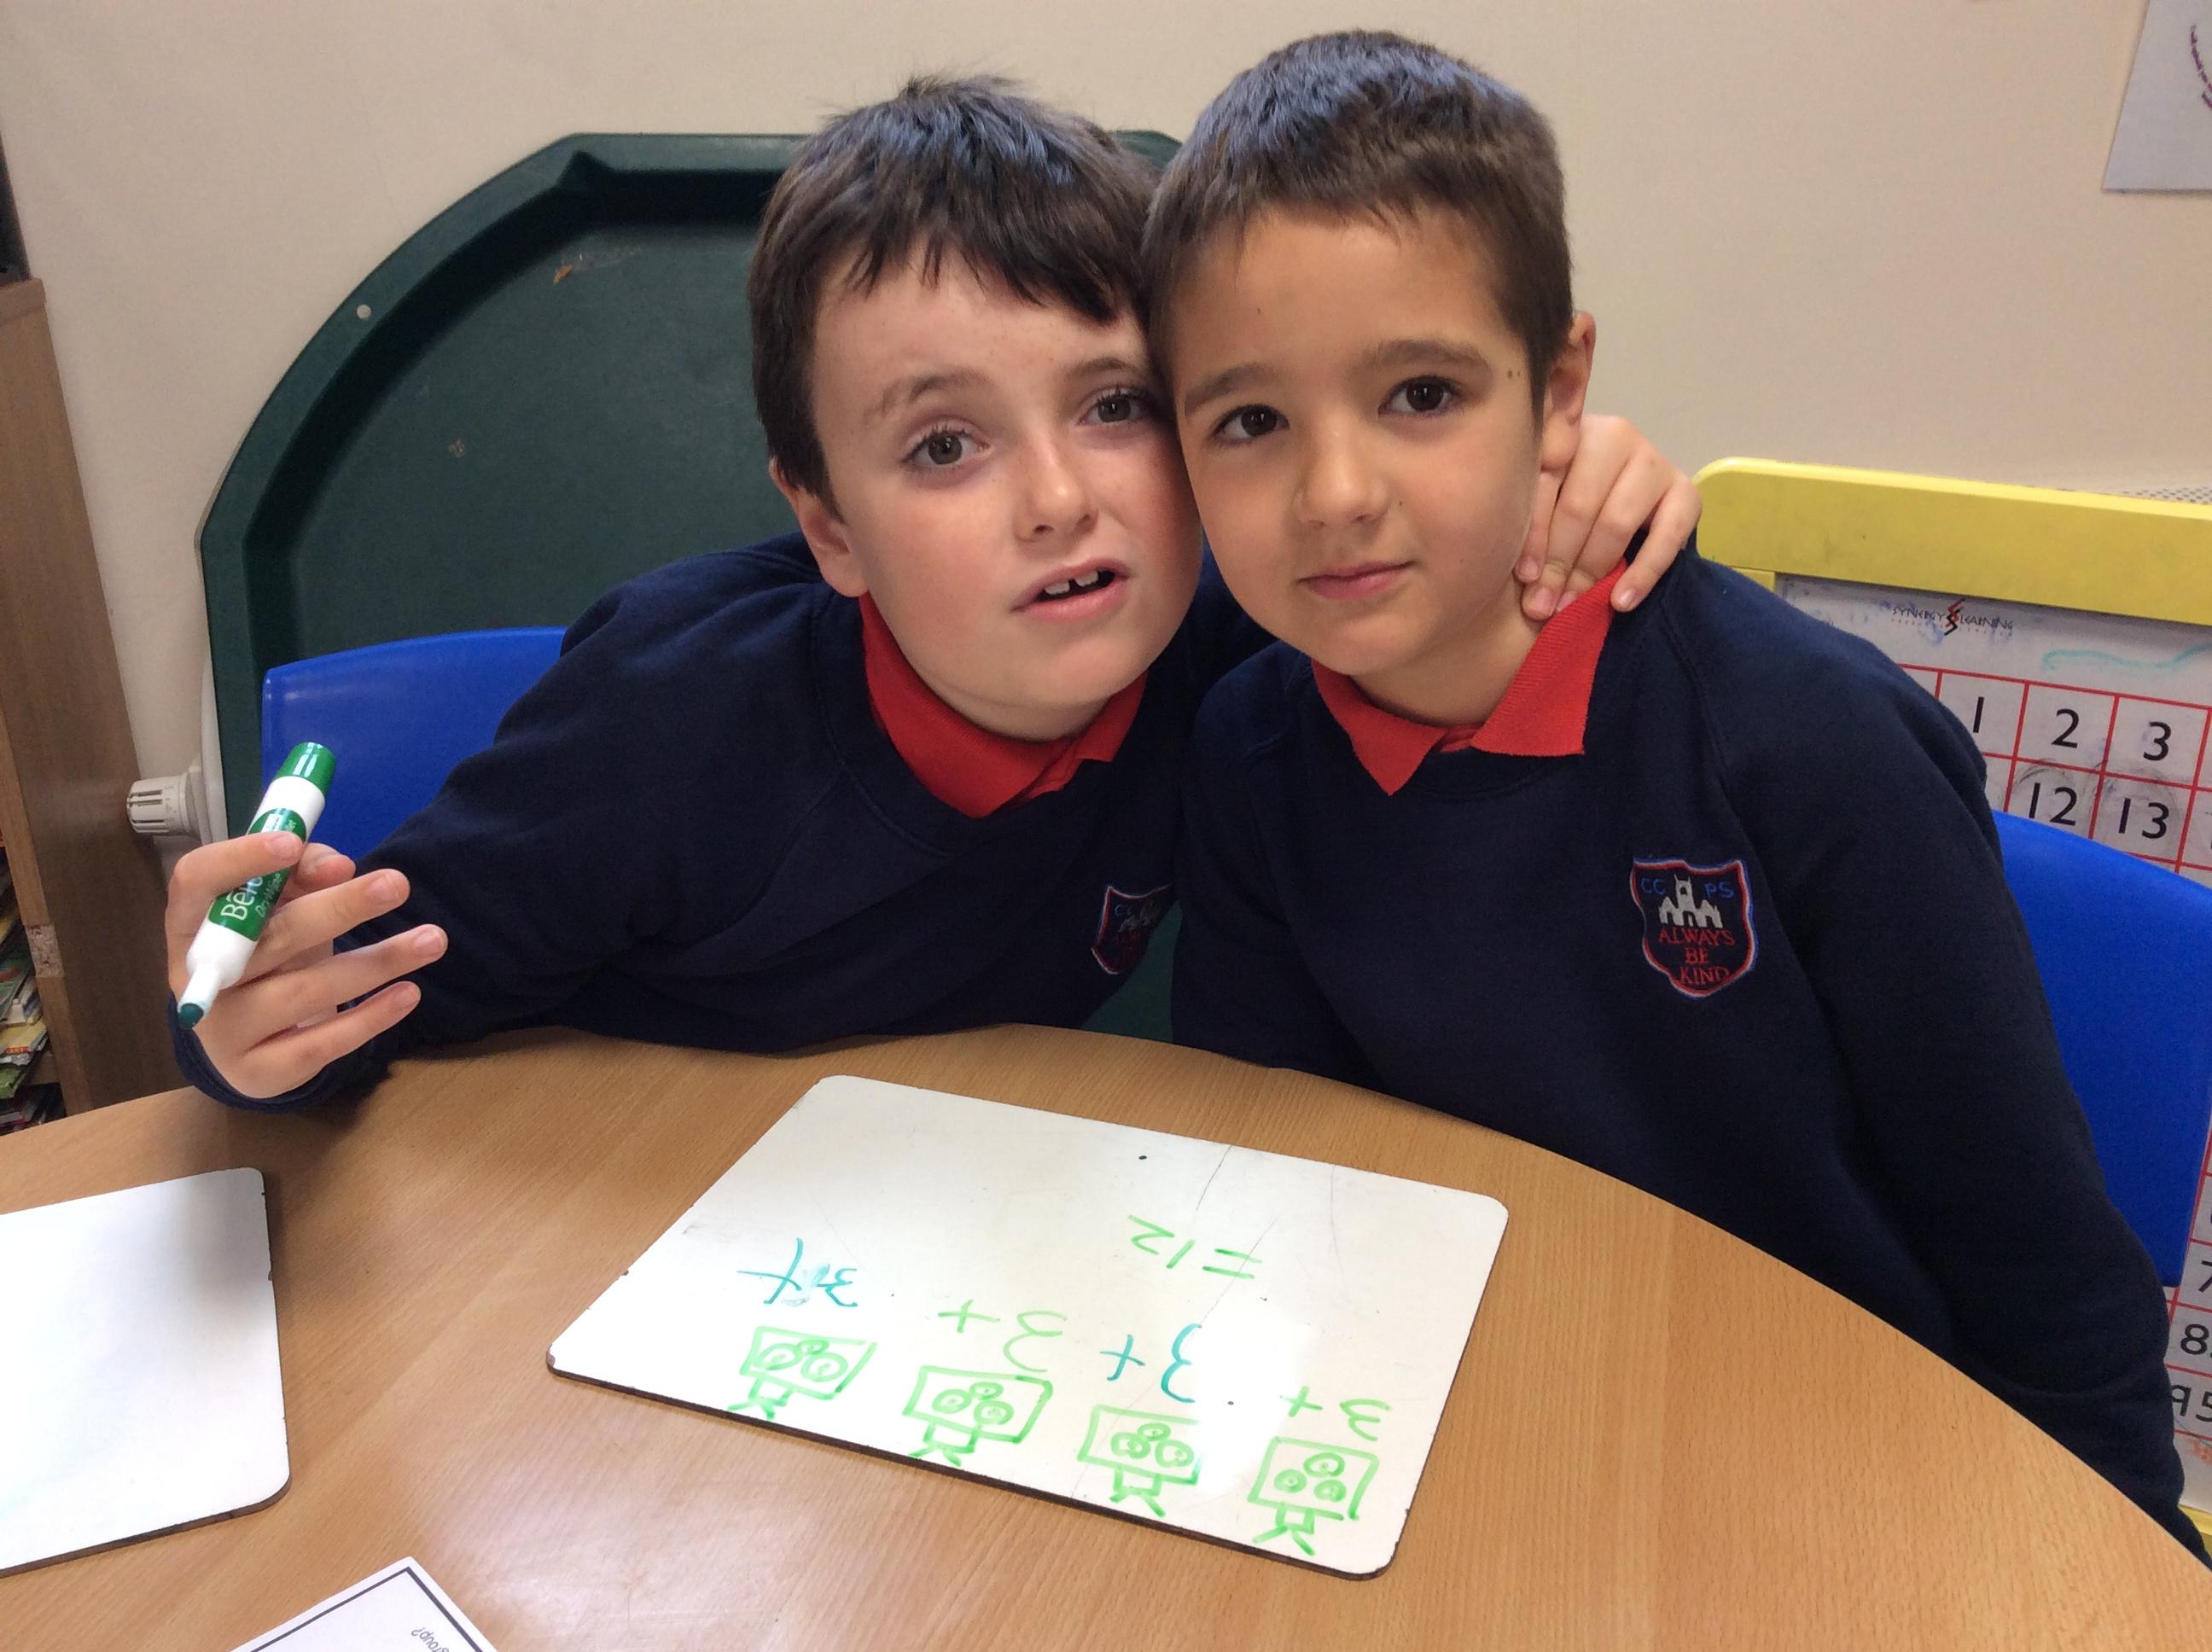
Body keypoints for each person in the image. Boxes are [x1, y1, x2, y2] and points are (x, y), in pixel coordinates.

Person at [1150, 31, 2201, 1552]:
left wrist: (2112, 1568)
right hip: (1492, 1437)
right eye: (1250, 423)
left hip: (1854, 1471)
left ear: (1561, 391)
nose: (1335, 494)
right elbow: (1286, 1177)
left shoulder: (1813, 746)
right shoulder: (1248, 752)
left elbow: (2042, 1267)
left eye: (1422, 393)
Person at [165, 75, 1698, 1108]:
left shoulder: (1226, 646)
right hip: (630, 1240)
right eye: (946, 445)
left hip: (936, 1257)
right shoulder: (667, 730)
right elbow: (336, 1008)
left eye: (1115, 406)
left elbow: (1435, 596)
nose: (1059, 500)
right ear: (830, 527)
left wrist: (1573, 479)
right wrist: (240, 1018)